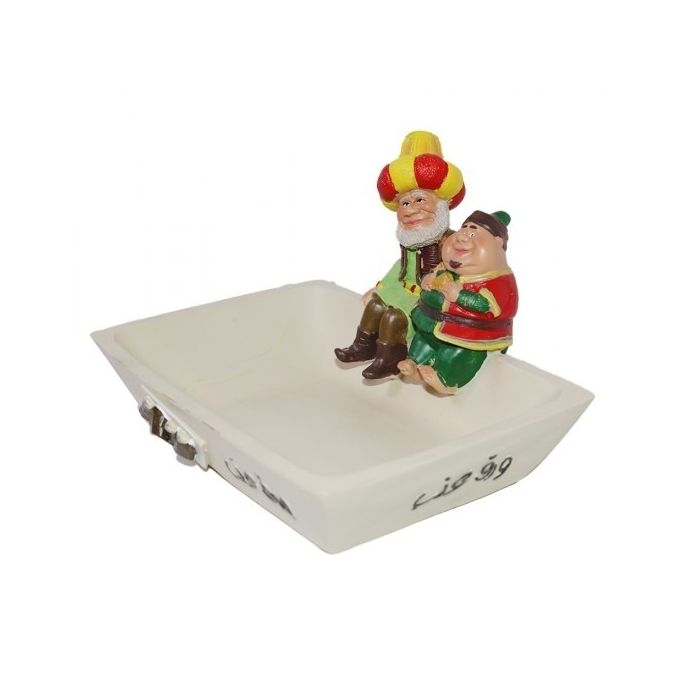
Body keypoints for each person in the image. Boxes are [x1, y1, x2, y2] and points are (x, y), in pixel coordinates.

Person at [334, 131, 465, 379]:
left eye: (420, 200)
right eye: (405, 203)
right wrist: (380, 288)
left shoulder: (449, 244)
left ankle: (390, 358)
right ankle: (363, 347)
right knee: (375, 305)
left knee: (393, 317)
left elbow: (460, 274)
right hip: (404, 292)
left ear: (442, 205)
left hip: (427, 302)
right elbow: (401, 269)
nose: (410, 210)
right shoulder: (411, 242)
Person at [398, 210, 518, 394]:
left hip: (469, 334)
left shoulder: (498, 279)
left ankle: (446, 380)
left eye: (473, 232)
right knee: (423, 339)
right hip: (432, 323)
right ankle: (415, 363)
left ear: (497, 243)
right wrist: (429, 279)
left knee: (457, 352)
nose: (462, 237)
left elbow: (491, 307)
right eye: (464, 228)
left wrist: (460, 296)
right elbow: (435, 273)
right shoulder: (446, 267)